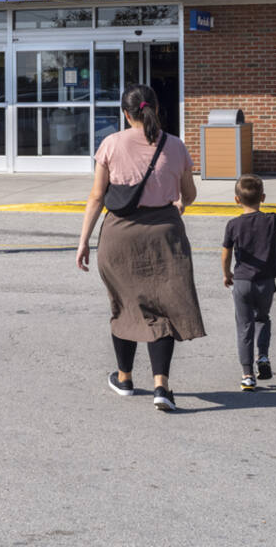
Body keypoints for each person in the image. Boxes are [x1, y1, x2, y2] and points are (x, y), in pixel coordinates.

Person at [77, 84, 205, 412]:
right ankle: (162, 386)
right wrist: (177, 201)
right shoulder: (175, 145)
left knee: (124, 305)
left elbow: (96, 196)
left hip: (120, 234)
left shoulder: (110, 144)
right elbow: (189, 194)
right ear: (156, 109)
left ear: (125, 113)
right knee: (163, 307)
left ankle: (125, 379)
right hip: (165, 235)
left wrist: (84, 240)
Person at [220, 175, 276, 390]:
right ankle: (262, 356)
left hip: (242, 282)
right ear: (262, 197)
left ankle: (247, 375)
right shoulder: (272, 220)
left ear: (237, 200)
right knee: (262, 318)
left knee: (244, 326)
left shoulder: (233, 225)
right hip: (266, 283)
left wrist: (226, 274)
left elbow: (226, 254)